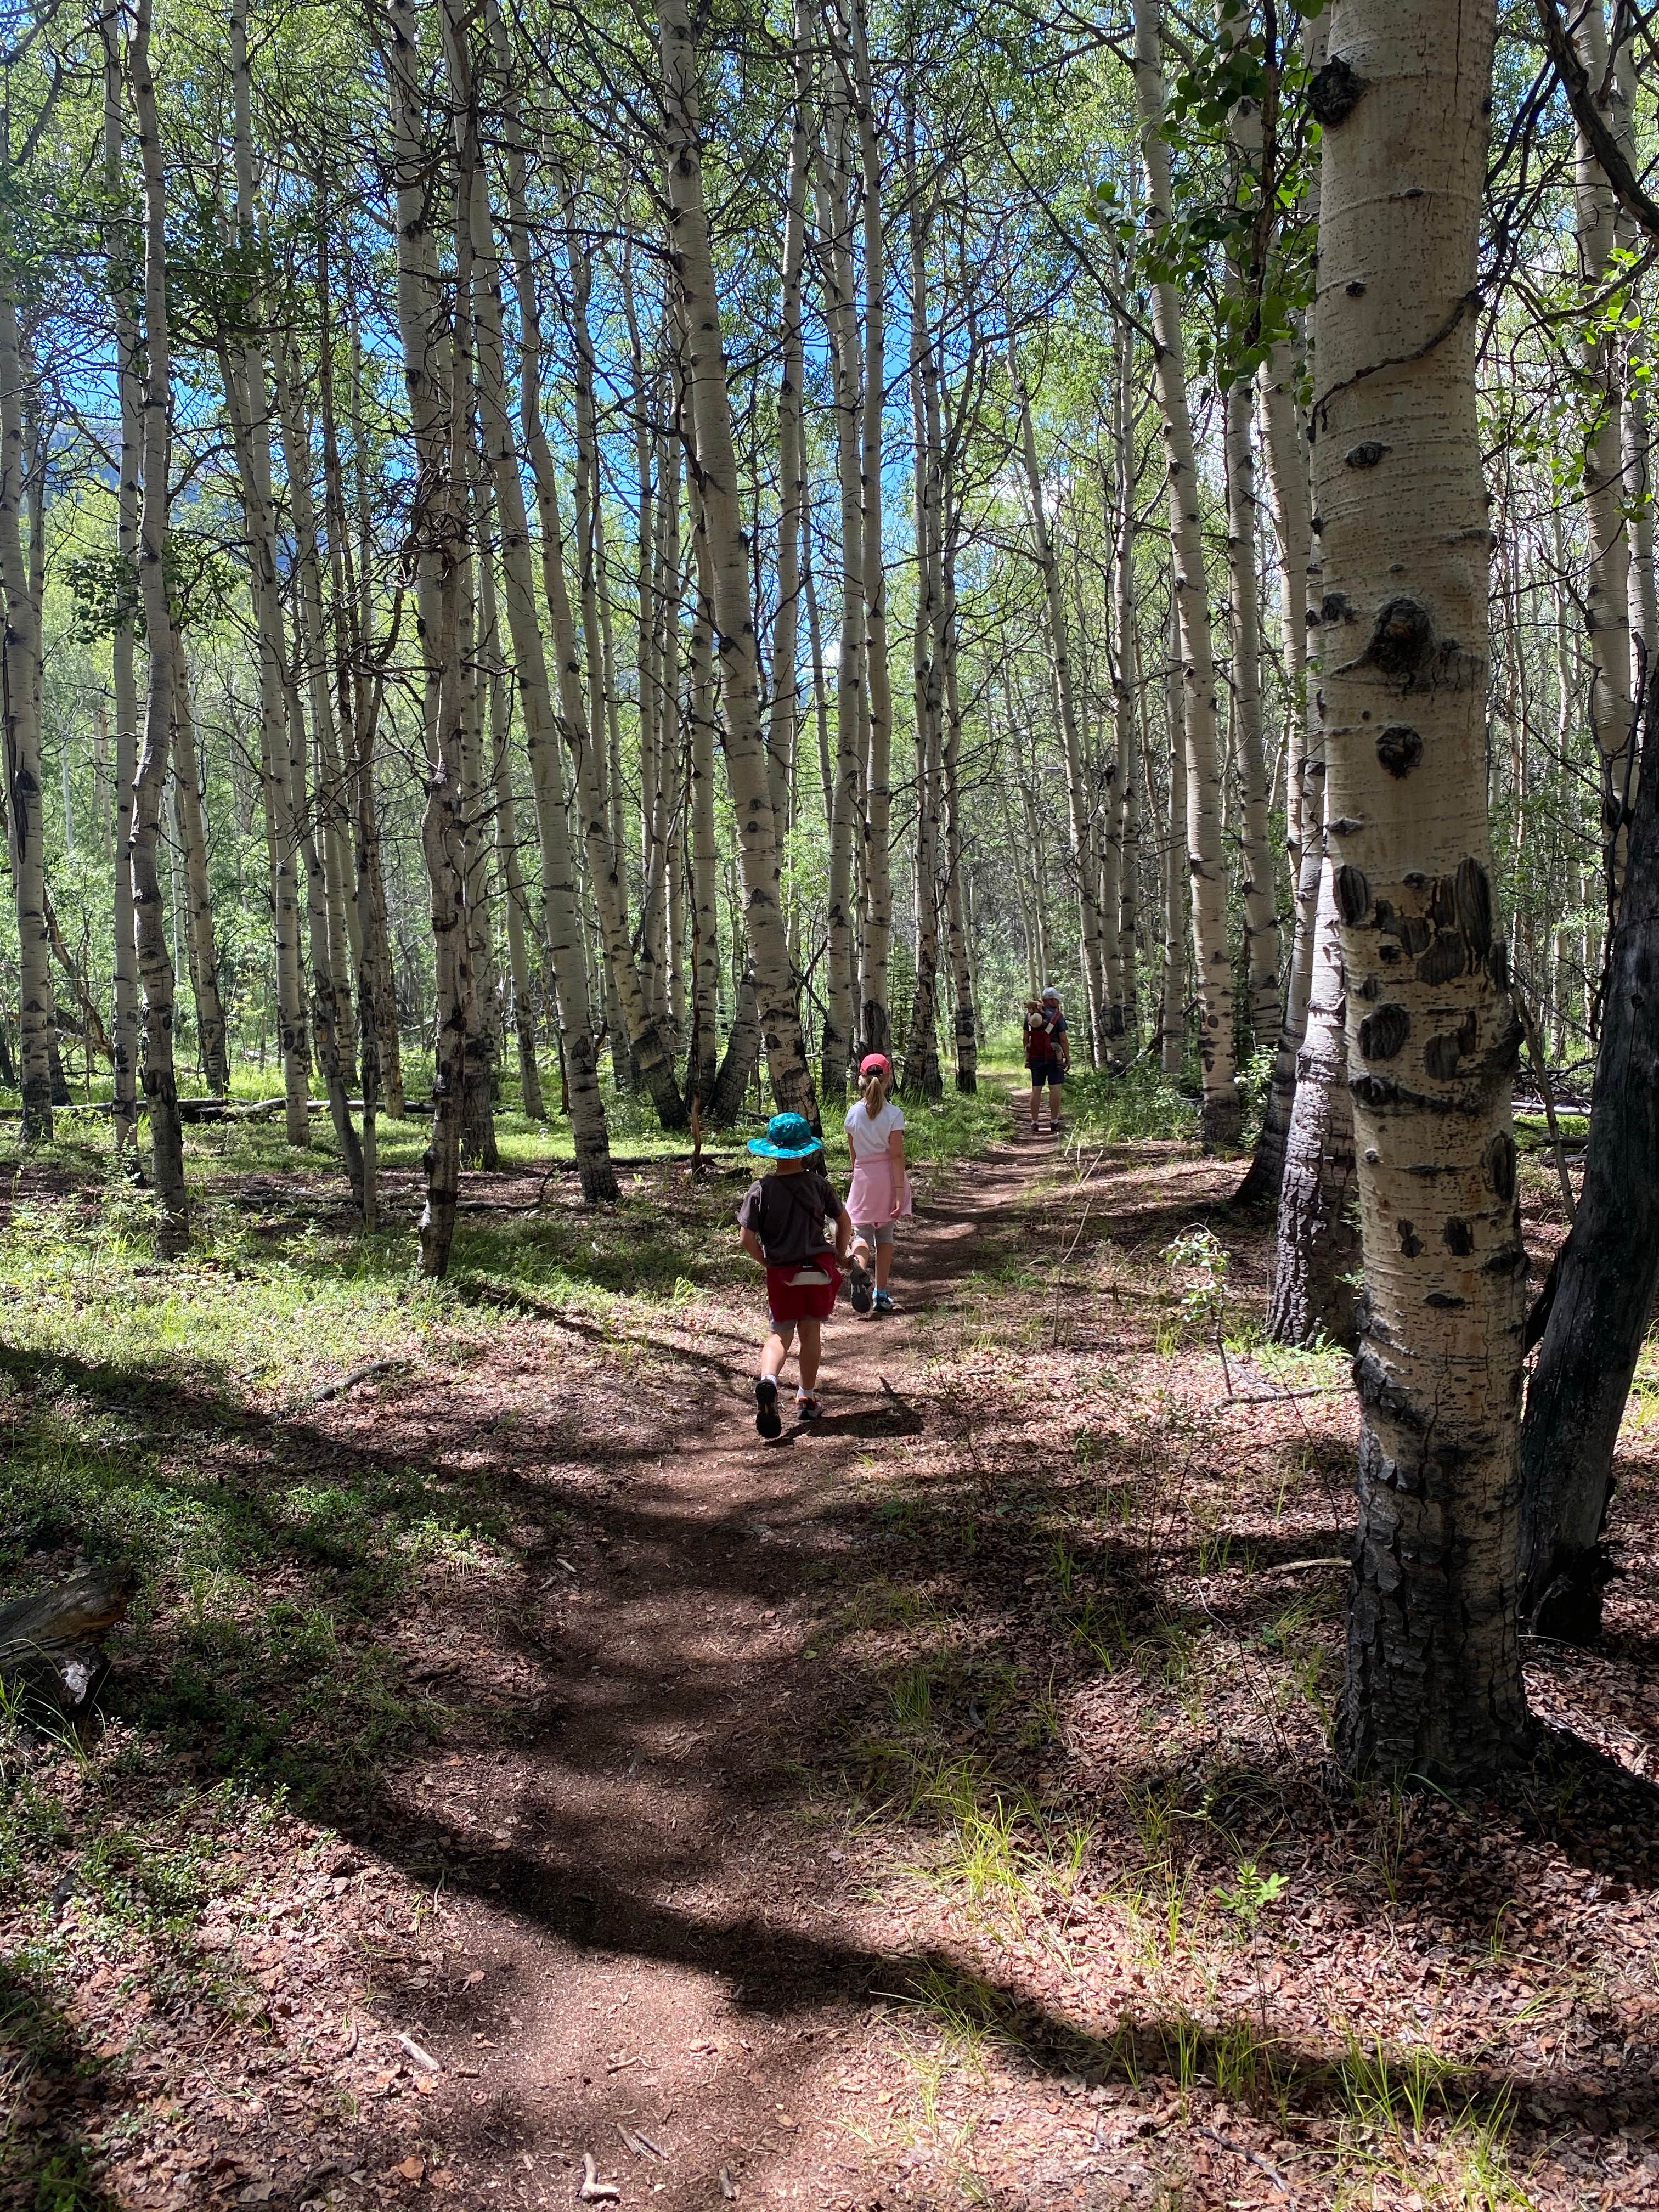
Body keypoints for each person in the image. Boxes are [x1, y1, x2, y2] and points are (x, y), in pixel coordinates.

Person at [737, 1110, 853, 1436]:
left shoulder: (760, 1189)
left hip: (782, 1274)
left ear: (771, 1149)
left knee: (780, 1335)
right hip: (818, 1271)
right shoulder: (818, 1185)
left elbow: (746, 1238)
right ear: (806, 1149)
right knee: (810, 1334)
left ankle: (769, 1382)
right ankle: (806, 1398)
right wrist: (841, 1254)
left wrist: (766, 1262)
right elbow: (843, 1222)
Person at [843, 1052, 910, 1317]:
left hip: (863, 1177)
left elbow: (853, 1152)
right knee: (885, 1237)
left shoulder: (852, 1113)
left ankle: (859, 1269)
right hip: (887, 1179)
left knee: (861, 1235)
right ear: (888, 1078)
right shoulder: (894, 1114)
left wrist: (858, 1174)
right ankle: (880, 1294)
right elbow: (896, 1155)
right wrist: (898, 1192)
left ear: (862, 1078)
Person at [1024, 984, 1069, 1137]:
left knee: (1036, 1088)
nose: (1059, 1002)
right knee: (1055, 1088)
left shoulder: (1030, 1016)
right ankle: (1054, 1121)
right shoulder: (1057, 1016)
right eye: (1057, 1000)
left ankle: (1035, 1122)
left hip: (1036, 1057)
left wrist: (1028, 1056)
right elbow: (1063, 1039)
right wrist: (1067, 1059)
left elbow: (1025, 1038)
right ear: (1050, 1000)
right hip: (1054, 1057)